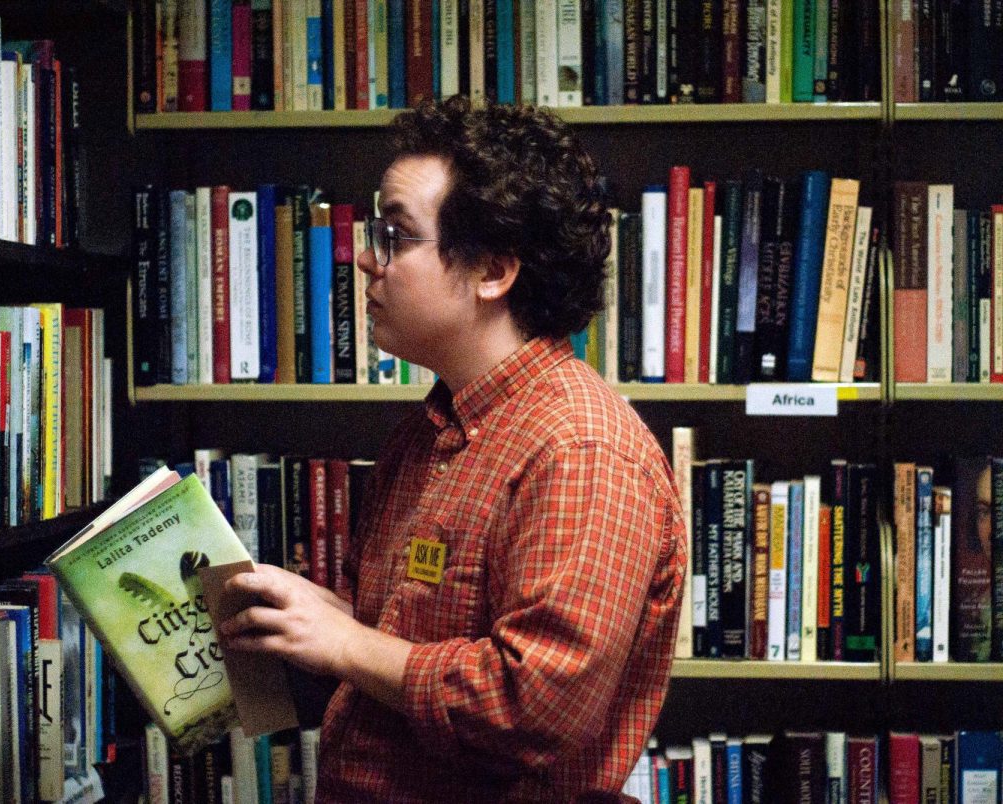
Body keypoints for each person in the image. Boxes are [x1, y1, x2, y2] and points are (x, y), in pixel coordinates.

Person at [220, 97, 687, 802]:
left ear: (493, 271)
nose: (364, 260)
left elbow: (535, 705)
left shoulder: (581, 448)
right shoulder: (425, 434)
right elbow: (405, 654)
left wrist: (347, 643)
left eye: (396, 235)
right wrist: (317, 622)